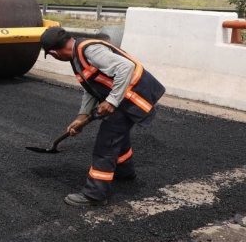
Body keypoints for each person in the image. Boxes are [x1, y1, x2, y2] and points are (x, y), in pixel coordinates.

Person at [40, 27, 165, 207]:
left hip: (132, 96)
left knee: (107, 142)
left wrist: (113, 101)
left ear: (53, 52)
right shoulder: (77, 56)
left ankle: (95, 194)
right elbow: (92, 88)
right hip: (124, 97)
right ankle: (125, 171)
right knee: (117, 135)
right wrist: (81, 117)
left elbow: (125, 67)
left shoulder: (90, 50)